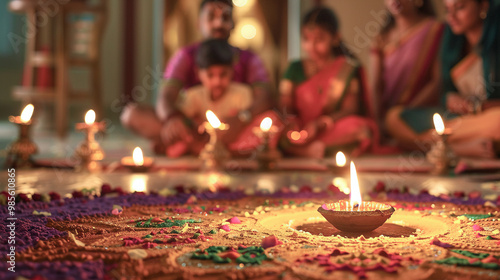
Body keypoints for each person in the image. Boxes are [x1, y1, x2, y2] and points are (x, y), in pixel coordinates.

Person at [121, 0, 273, 156]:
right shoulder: (186, 55)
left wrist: (241, 119)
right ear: (198, 23)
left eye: (225, 18)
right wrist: (173, 118)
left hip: (235, 126)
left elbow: (264, 98)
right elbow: (166, 96)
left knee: (272, 122)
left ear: (234, 23)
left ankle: (188, 146)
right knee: (132, 114)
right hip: (193, 127)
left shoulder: (248, 58)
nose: (218, 23)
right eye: (211, 17)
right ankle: (209, 147)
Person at [386, 0, 500, 158]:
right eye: (447, 10)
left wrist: (478, 108)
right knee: (394, 117)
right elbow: (446, 91)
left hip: (489, 118)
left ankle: (445, 148)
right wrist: (450, 99)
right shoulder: (452, 42)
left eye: (459, 8)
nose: (451, 16)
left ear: (483, 6)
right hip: (460, 120)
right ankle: (458, 148)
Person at [279, 7, 377, 158]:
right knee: (272, 125)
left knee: (360, 128)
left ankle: (300, 150)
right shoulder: (295, 68)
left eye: (319, 39)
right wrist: (293, 123)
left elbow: (351, 108)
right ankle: (309, 150)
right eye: (306, 39)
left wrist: (321, 123)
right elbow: (284, 105)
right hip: (299, 128)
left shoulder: (346, 69)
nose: (311, 46)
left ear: (336, 38)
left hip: (328, 128)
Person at [172, 38, 281, 156]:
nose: (217, 81)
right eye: (210, 75)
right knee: (179, 131)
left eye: (223, 74)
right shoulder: (193, 95)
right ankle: (213, 150)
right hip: (204, 139)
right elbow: (183, 119)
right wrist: (195, 124)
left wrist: (239, 121)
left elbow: (250, 122)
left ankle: (220, 151)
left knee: (272, 119)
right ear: (198, 73)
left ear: (232, 71)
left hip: (236, 139)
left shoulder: (241, 93)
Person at [369, 0, 444, 133]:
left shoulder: (434, 30)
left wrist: (406, 112)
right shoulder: (381, 38)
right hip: (387, 117)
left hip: (421, 112)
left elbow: (437, 81)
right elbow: (376, 85)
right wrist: (379, 121)